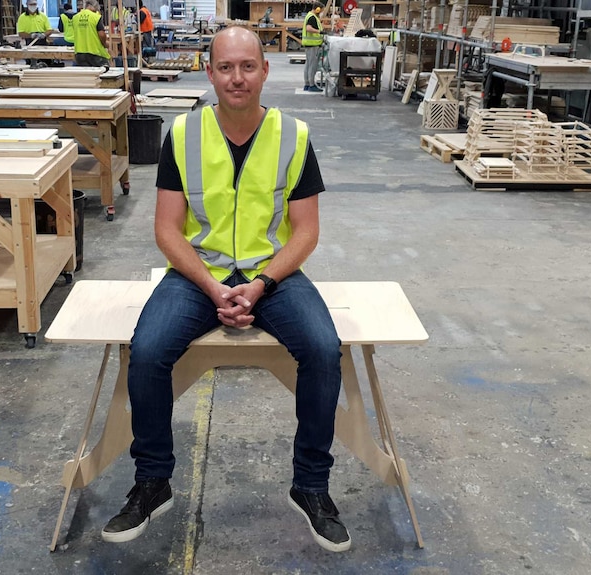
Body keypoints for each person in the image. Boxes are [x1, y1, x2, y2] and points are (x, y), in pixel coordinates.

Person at [100, 26, 350, 553]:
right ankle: (152, 480)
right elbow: (168, 228)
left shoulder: (295, 137)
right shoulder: (184, 134)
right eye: (226, 67)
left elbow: (305, 230)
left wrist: (260, 284)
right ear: (209, 72)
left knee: (325, 351)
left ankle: (311, 486)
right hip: (199, 273)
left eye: (248, 66)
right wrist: (213, 287)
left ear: (264, 70)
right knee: (144, 352)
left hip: (271, 273)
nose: (237, 78)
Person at [72, 0, 111, 67]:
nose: (96, 11)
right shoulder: (96, 17)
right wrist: (105, 43)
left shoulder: (75, 17)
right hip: (95, 53)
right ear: (93, 6)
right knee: (104, 73)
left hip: (79, 53)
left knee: (86, 75)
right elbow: (101, 34)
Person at [302, 1, 325, 92]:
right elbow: (308, 28)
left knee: (308, 65)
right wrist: (320, 32)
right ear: (317, 9)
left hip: (309, 44)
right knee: (312, 66)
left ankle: (307, 84)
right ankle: (311, 85)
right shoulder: (312, 17)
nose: (321, 12)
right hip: (313, 45)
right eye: (321, 10)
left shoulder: (310, 15)